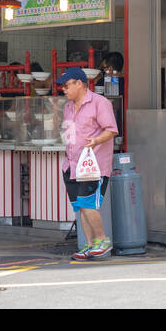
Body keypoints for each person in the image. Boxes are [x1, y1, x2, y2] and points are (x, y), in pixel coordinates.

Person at [58, 66, 118, 261]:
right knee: (80, 207)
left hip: (93, 164)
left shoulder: (99, 103)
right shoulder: (67, 107)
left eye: (67, 86)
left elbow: (111, 130)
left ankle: (102, 240)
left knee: (88, 203)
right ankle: (90, 245)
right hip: (72, 164)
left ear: (79, 84)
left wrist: (96, 141)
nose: (64, 90)